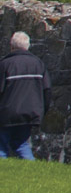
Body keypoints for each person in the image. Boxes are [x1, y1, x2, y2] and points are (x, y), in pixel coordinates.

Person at [1, 32, 48, 160]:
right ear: (28, 46)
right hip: (30, 112)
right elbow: (46, 90)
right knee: (21, 144)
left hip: (7, 114)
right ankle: (33, 171)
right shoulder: (38, 64)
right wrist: (42, 111)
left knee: (1, 145)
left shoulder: (5, 64)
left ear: (11, 46)